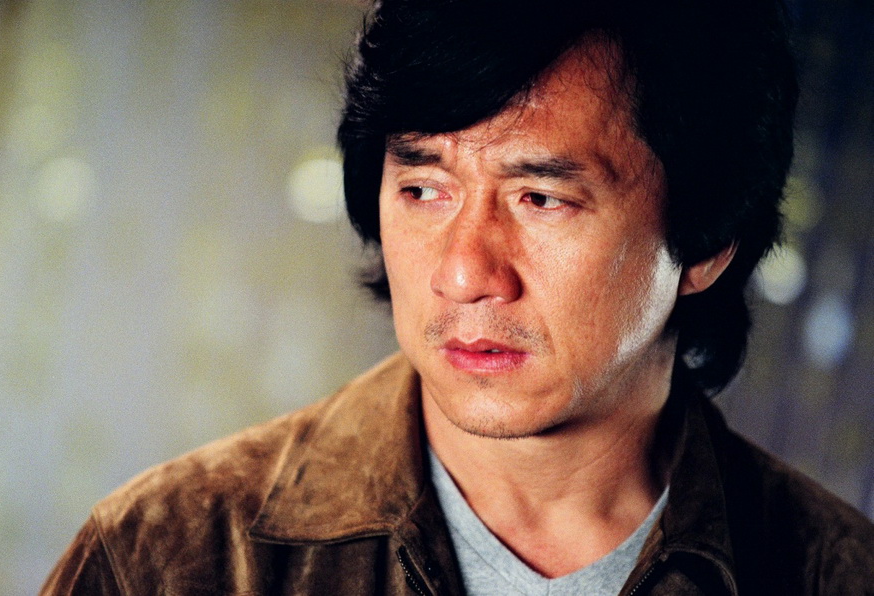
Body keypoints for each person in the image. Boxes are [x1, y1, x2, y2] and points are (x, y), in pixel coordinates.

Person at [43, 0, 874, 594]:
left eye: (540, 198)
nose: (465, 272)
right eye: (424, 190)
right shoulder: (166, 556)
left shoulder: (834, 572)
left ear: (708, 241)